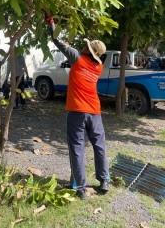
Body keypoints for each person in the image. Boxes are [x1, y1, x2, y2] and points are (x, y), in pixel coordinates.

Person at [44, 11, 110, 199]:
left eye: (86, 46)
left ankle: (80, 188)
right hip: (95, 112)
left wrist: (51, 22)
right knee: (99, 145)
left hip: (77, 111)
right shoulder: (98, 67)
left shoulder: (77, 58)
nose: (83, 46)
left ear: (89, 51)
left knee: (77, 147)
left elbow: (58, 41)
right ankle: (104, 180)